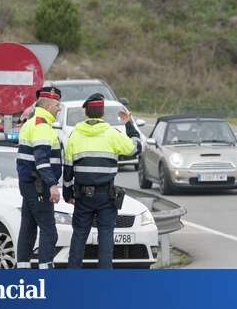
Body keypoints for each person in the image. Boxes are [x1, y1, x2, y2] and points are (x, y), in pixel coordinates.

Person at [62, 93, 142, 269]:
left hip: (82, 196)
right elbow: (136, 148)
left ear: (86, 112)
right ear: (102, 113)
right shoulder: (112, 134)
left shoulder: (74, 135)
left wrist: (67, 193)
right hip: (106, 196)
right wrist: (129, 123)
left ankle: (71, 279)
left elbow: (68, 169)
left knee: (79, 237)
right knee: (106, 238)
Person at [15, 86, 63, 269]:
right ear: (49, 105)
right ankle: (46, 273)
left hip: (30, 185)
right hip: (39, 185)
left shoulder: (31, 123)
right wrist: (52, 184)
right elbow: (41, 159)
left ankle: (23, 271)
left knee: (28, 230)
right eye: (57, 104)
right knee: (49, 231)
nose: (59, 108)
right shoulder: (42, 126)